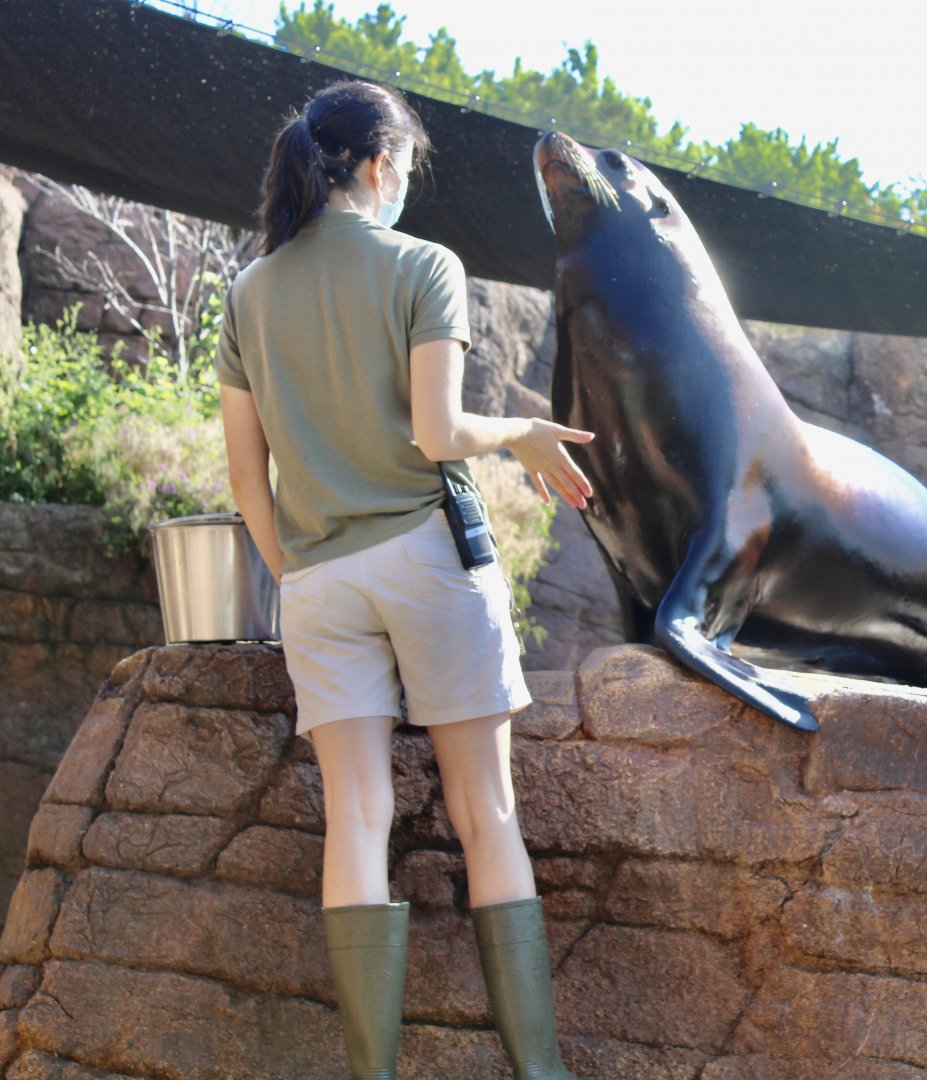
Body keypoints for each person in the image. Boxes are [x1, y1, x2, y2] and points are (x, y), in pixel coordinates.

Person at [215, 79, 593, 1080]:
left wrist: (299, 566)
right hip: (427, 559)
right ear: (376, 165)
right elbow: (437, 434)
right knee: (487, 814)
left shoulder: (248, 294)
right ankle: (540, 1073)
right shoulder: (423, 265)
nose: (405, 189)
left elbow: (245, 477)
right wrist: (521, 431)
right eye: (406, 170)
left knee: (358, 816)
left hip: (319, 581)